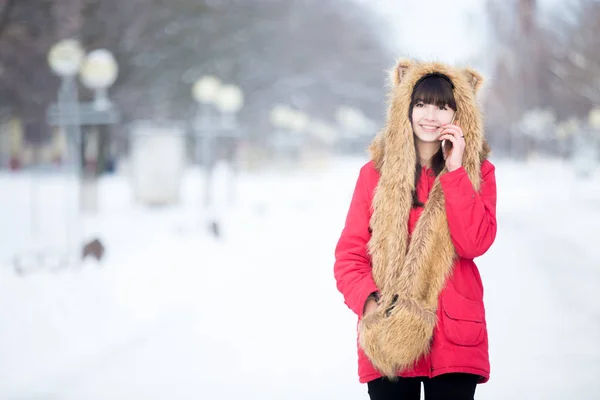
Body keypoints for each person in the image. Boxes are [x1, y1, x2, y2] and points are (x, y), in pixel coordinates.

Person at [333, 59, 497, 400]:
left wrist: (455, 173)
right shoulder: (374, 174)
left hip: (454, 337)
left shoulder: (479, 173)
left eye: (442, 107)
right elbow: (350, 254)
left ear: (459, 114)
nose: (430, 116)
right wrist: (371, 305)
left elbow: (474, 243)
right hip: (390, 333)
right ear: (405, 108)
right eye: (421, 104)